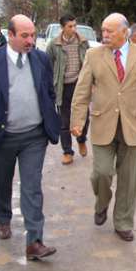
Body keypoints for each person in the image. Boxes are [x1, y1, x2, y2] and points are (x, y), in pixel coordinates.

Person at [0, 14, 60, 261]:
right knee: (0, 183)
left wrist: (50, 116)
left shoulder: (40, 58)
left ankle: (34, 241)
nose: (31, 40)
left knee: (32, 187)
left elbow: (49, 92)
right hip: (1, 136)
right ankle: (3, 218)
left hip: (34, 137)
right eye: (24, 36)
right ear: (10, 36)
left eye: (33, 35)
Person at [70, 13, 136, 242]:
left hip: (134, 124)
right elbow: (81, 92)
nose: (104, 35)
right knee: (101, 173)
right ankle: (101, 203)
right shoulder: (93, 54)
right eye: (103, 30)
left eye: (109, 31)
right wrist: (77, 121)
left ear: (125, 32)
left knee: (129, 179)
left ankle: (123, 222)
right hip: (103, 123)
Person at [46, 13, 90, 165]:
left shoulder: (83, 42)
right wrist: (51, 83)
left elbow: (89, 63)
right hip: (62, 87)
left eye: (75, 25)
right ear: (63, 28)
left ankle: (81, 139)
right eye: (70, 26)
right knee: (64, 121)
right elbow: (48, 65)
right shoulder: (54, 45)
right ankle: (67, 151)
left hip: (80, 85)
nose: (74, 28)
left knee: (84, 116)